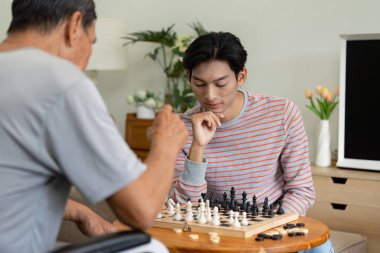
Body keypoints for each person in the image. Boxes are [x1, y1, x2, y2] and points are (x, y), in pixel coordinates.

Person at [0, 1, 188, 253]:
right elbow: (141, 210)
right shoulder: (61, 81)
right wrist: (166, 141)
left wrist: (80, 212)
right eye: (92, 42)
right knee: (150, 248)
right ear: (74, 25)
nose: (88, 58)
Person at [170, 32, 334, 253]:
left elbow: (301, 189)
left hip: (276, 226)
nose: (210, 96)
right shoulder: (180, 128)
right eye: (199, 84)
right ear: (189, 77)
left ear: (241, 76)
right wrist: (197, 148)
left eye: (221, 83)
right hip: (217, 234)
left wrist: (270, 230)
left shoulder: (282, 114)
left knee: (319, 247)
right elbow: (183, 208)